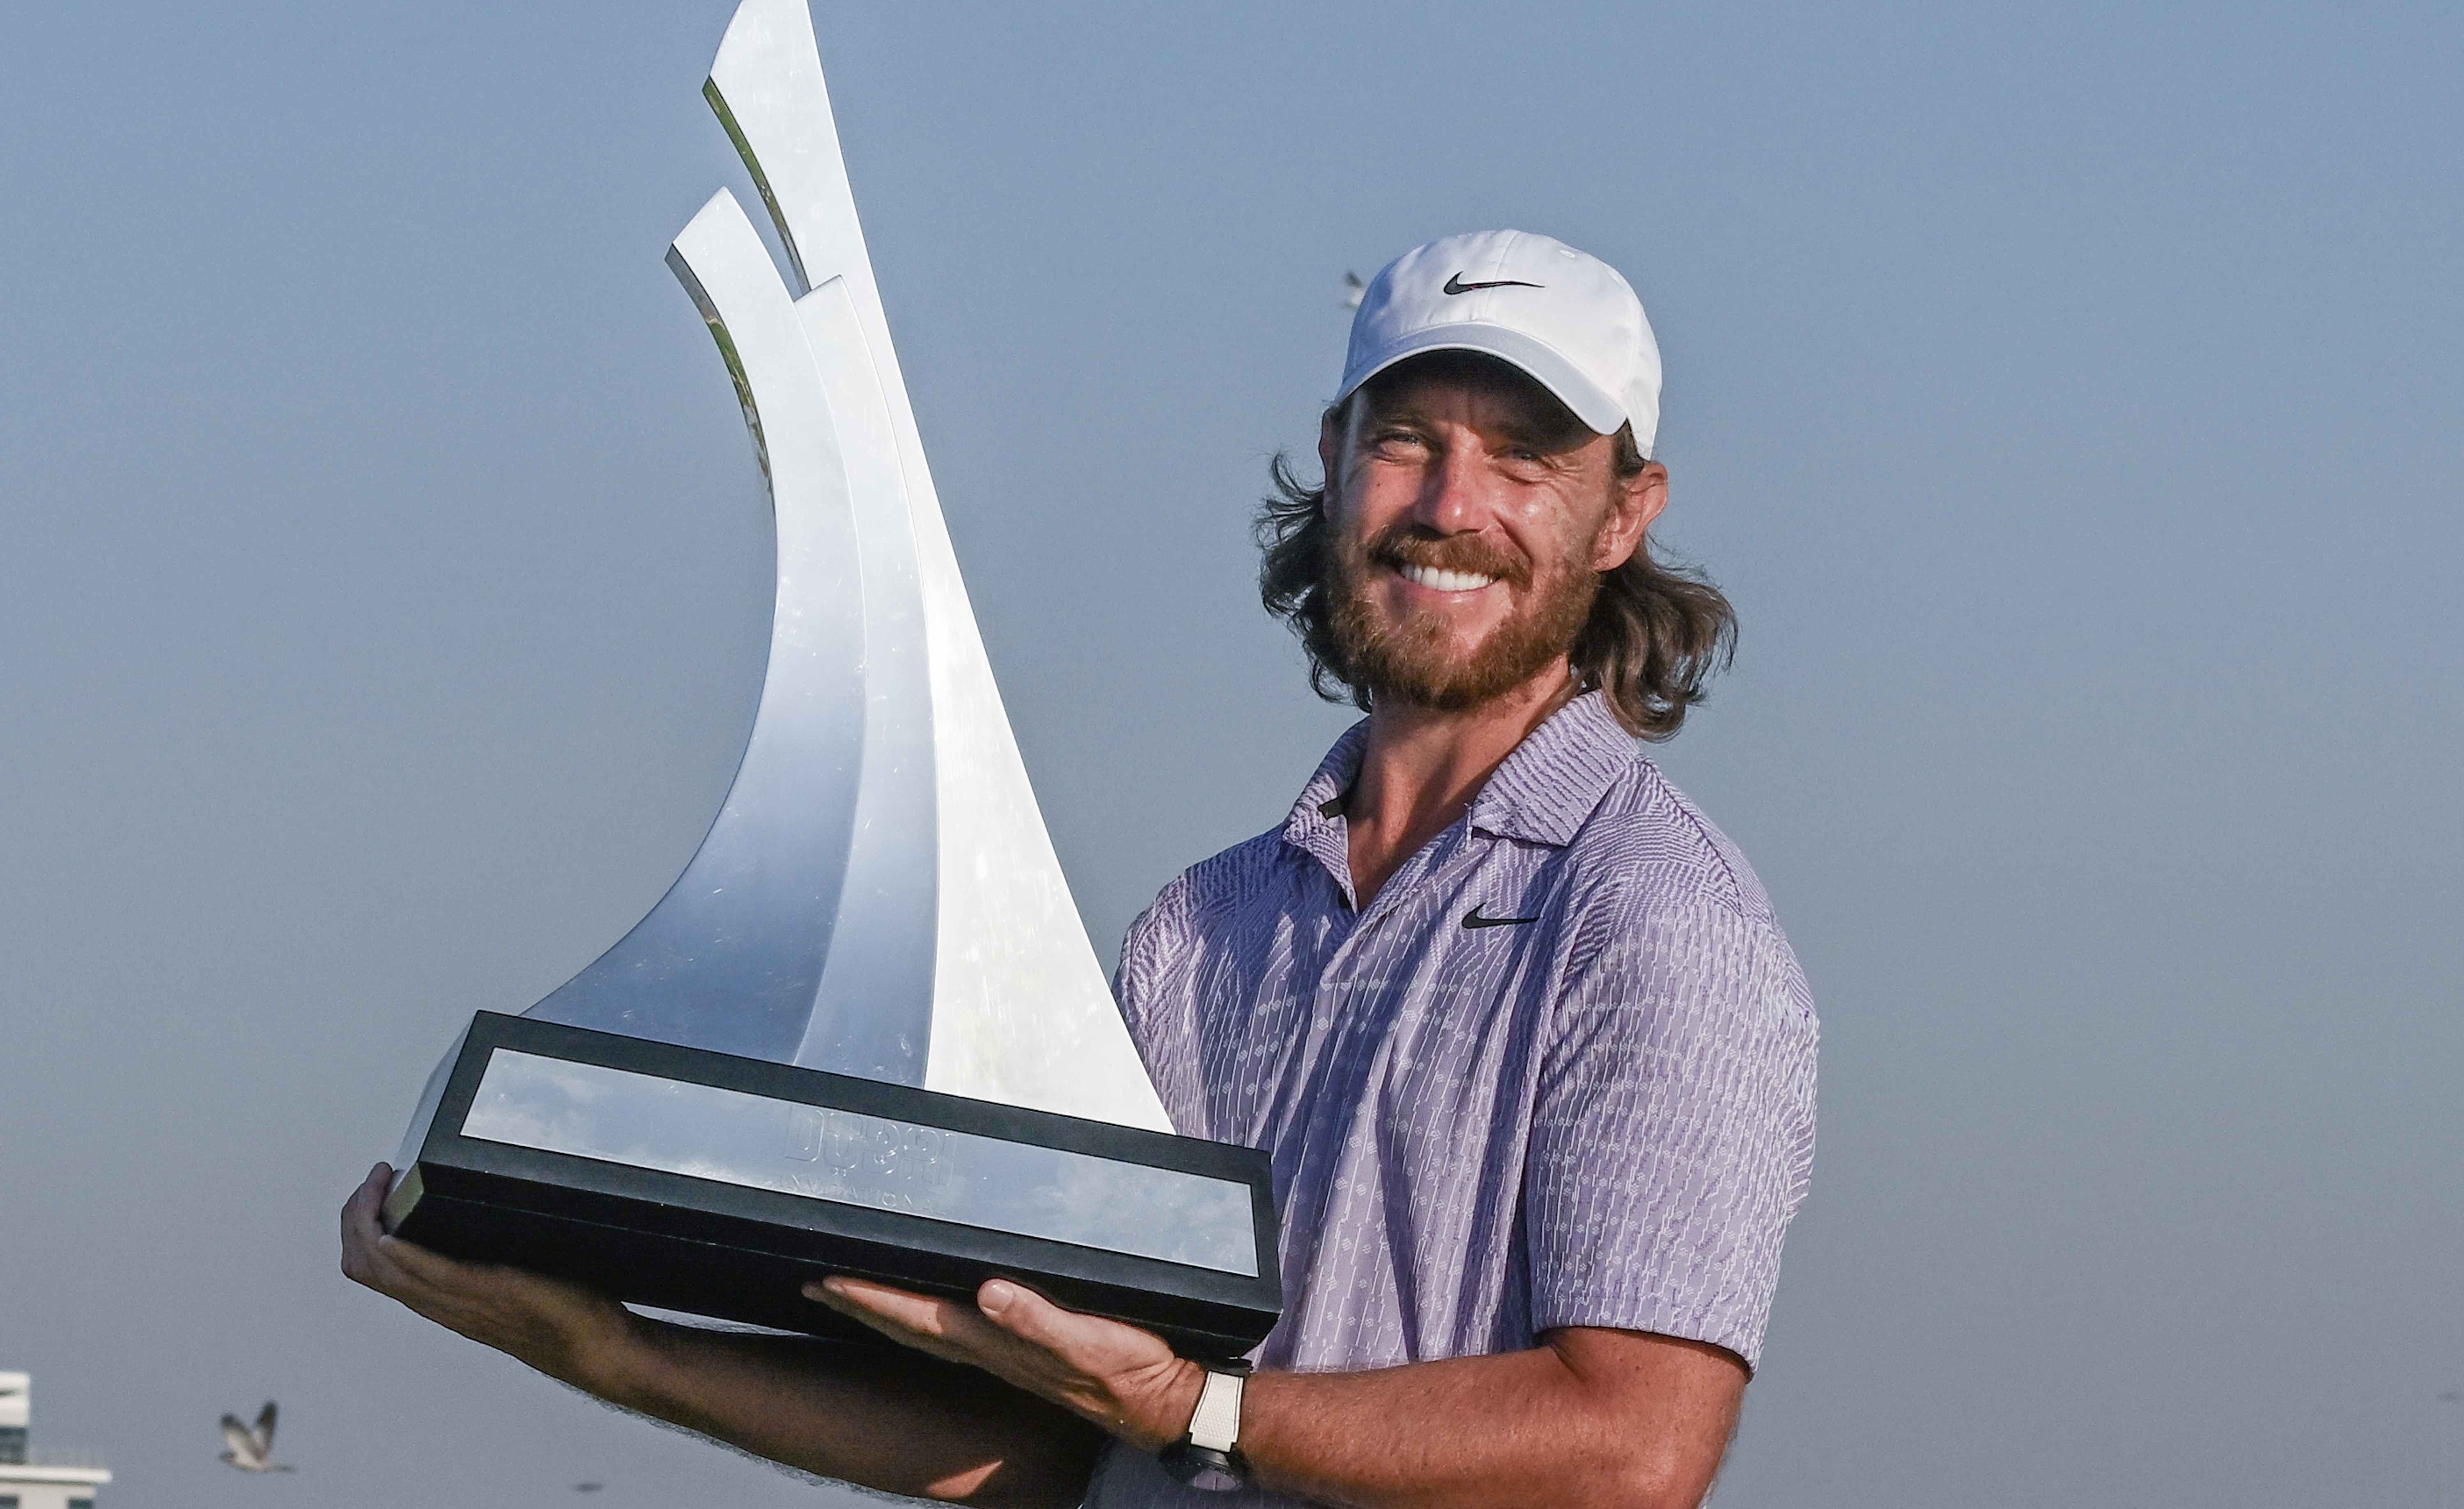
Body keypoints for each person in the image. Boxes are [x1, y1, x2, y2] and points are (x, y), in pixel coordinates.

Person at [342, 229, 1817, 1509]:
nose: (1449, 504)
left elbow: (1633, 1453)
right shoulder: (1199, 930)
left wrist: (1198, 1410)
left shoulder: (1656, 921)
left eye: (1525, 457)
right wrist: (622, 1351)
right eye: (1409, 438)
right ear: (1337, 459)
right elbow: (1047, 1440)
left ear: (1627, 514)